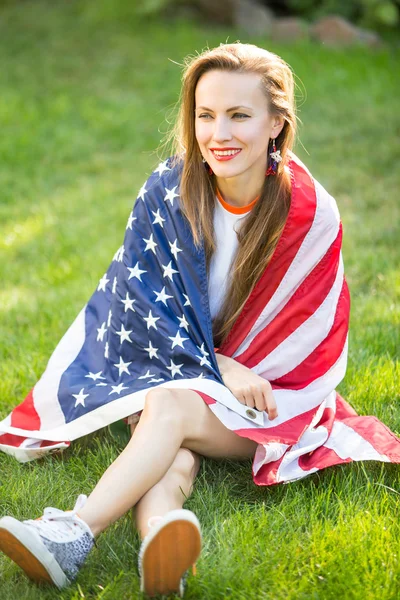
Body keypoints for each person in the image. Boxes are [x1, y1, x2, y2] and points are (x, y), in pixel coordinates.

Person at [0, 42, 399, 598]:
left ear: (276, 124)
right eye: (206, 115)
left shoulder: (310, 214)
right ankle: (165, 546)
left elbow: (303, 339)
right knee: (171, 441)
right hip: (180, 367)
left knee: (166, 405)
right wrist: (218, 364)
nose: (219, 134)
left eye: (239, 115)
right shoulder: (169, 191)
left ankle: (73, 532)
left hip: (272, 398)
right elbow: (136, 308)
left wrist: (224, 370)